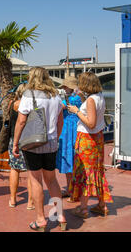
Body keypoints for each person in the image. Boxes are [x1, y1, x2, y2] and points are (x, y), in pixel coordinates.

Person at [13, 67, 67, 232]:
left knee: (35, 179)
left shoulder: (29, 95)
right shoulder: (56, 96)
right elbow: (60, 122)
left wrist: (16, 143)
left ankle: (40, 219)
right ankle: (60, 216)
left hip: (34, 143)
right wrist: (55, 138)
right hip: (51, 142)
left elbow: (21, 121)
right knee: (51, 180)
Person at [67, 72, 113, 218]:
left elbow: (91, 123)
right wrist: (82, 100)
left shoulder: (92, 100)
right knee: (96, 171)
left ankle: (83, 208)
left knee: (85, 173)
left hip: (87, 139)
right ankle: (101, 205)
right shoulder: (99, 97)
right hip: (97, 138)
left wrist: (77, 111)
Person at [8, 84, 34, 210]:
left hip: (15, 138)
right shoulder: (31, 105)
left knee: (14, 169)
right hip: (29, 139)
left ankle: (13, 199)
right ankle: (30, 202)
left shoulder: (12, 104)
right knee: (30, 170)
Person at [55, 76, 82, 200]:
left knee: (69, 159)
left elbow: (59, 107)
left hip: (68, 130)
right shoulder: (79, 97)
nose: (64, 89)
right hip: (72, 128)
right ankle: (71, 188)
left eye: (65, 87)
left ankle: (73, 191)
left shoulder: (73, 99)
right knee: (70, 159)